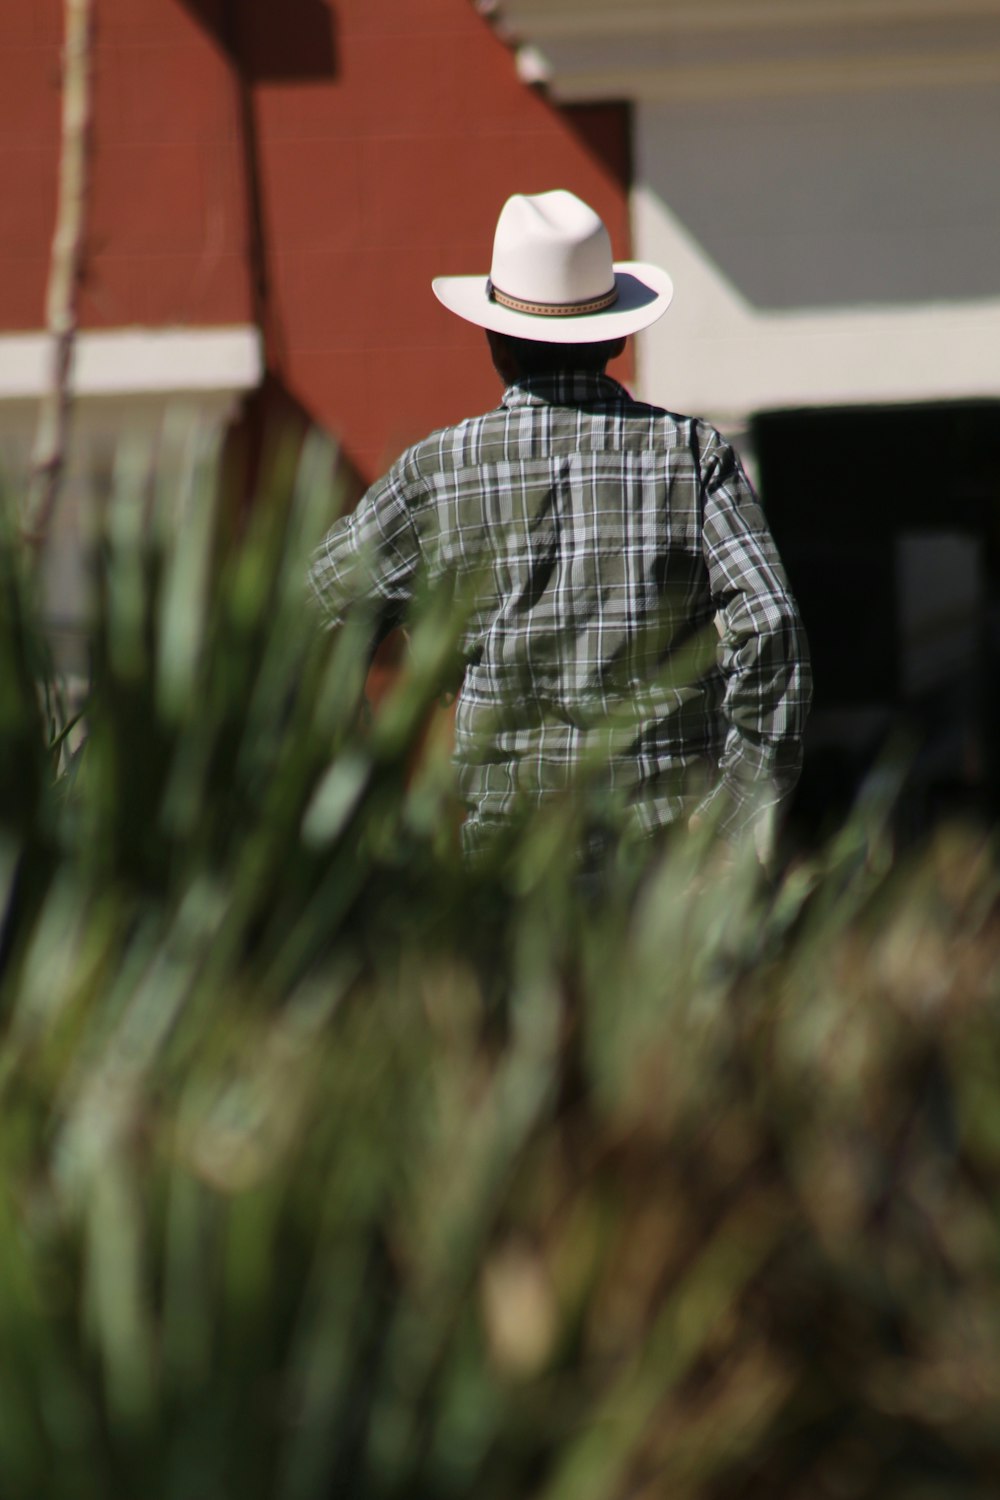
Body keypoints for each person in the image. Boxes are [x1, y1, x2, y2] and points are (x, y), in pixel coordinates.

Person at [308, 189, 811, 860]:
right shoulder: (693, 458)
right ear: (615, 335)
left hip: (502, 875)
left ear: (497, 344)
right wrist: (734, 821)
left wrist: (367, 802)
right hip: (661, 875)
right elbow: (771, 626)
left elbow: (314, 615)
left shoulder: (434, 474)